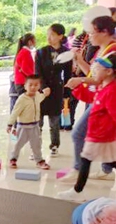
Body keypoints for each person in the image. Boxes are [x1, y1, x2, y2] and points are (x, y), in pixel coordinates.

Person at [61, 16, 116, 183]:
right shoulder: (102, 50)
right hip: (101, 97)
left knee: (78, 133)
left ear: (104, 32)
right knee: (106, 136)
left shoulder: (112, 51)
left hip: (107, 98)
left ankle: (78, 170)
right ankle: (106, 170)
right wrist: (79, 60)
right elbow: (94, 73)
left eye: (92, 32)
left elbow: (101, 78)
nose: (89, 36)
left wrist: (80, 80)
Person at [57, 53, 116, 202]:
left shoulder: (111, 91)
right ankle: (77, 191)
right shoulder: (103, 87)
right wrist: (77, 88)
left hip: (101, 136)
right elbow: (90, 98)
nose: (94, 71)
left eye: (98, 69)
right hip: (97, 135)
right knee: (107, 161)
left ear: (109, 71)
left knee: (86, 159)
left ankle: (77, 192)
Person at [35, 23, 72, 156]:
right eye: (48, 35)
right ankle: (36, 147)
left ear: (60, 36)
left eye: (52, 35)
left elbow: (67, 75)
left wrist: (66, 94)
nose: (48, 37)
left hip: (56, 90)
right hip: (41, 90)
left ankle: (54, 145)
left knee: (54, 121)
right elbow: (37, 72)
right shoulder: (41, 52)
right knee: (38, 121)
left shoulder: (66, 53)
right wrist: (43, 86)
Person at [7, 75, 51, 170]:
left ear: (39, 86)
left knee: (36, 144)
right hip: (23, 127)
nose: (33, 87)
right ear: (25, 86)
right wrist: (10, 124)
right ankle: (13, 159)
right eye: (30, 85)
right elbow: (15, 112)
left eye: (36, 85)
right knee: (18, 144)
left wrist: (45, 94)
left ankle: (39, 160)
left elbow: (41, 97)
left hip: (35, 126)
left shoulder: (38, 95)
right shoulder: (22, 99)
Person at [12, 33, 36, 112]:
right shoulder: (26, 52)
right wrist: (34, 78)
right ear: (30, 42)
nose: (35, 43)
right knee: (27, 107)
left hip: (20, 82)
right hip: (23, 83)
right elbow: (25, 68)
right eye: (34, 40)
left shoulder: (22, 52)